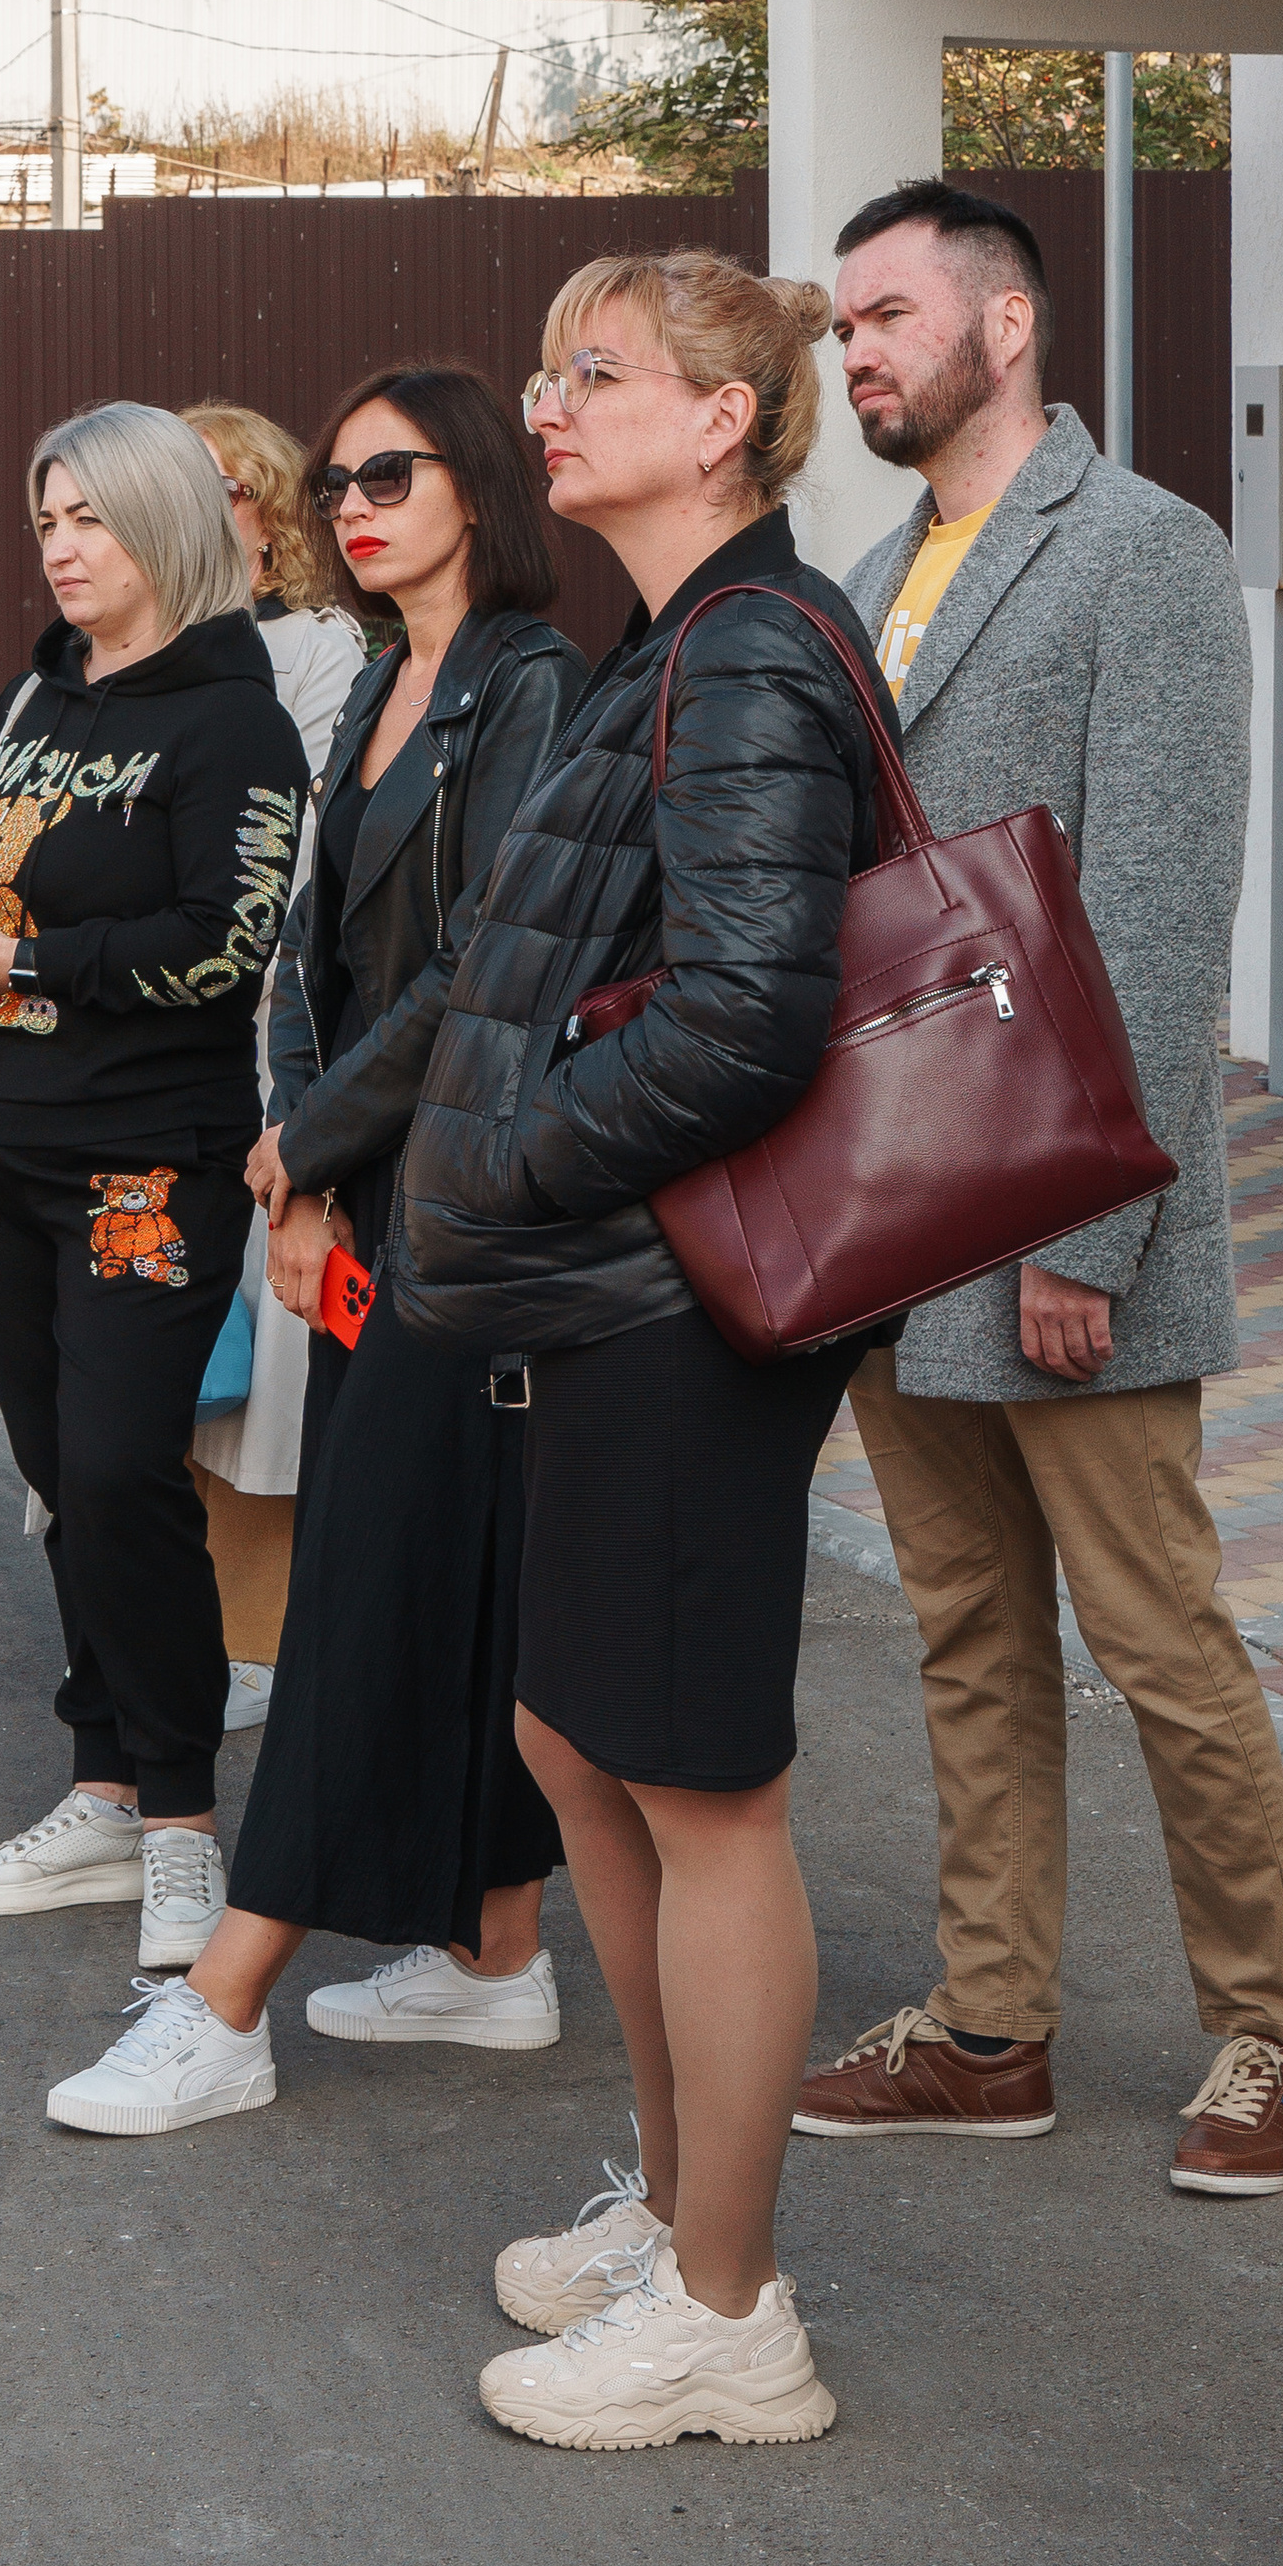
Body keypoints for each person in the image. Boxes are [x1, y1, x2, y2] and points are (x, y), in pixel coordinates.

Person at [384, 249, 891, 2454]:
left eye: (593, 371)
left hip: (678, 1298)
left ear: (725, 420)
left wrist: (508, 1162)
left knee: (700, 1783)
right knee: (577, 1739)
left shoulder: (752, 656)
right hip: (622, 1293)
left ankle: (728, 2311)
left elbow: (745, 1020)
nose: (545, 401)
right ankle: (683, 2199)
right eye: (546, 362)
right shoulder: (674, 642)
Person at [795, 181, 1283, 2197]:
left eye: (886, 314)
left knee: (1155, 1640)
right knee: (963, 1633)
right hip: (902, 1223)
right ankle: (987, 2025)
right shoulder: (864, 581)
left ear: (1002, 326)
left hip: (1064, 1216)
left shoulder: (1143, 551)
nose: (853, 350)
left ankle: (1272, 2035)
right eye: (838, 325)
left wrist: (1080, 1232)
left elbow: (1158, 911)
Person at [45, 366, 582, 2136]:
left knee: (366, 1595)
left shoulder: (529, 684)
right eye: (339, 477)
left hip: (468, 1196)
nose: (353, 502)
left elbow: (487, 960)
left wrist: (312, 1143)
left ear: (479, 487)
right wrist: (302, 1162)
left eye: (393, 472)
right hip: (367, 1186)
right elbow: (308, 952)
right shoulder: (370, 686)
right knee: (445, 1581)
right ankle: (499, 1954)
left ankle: (226, 2001)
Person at [0, 401, 310, 1978]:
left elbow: (228, 941)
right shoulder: (40, 693)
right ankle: (102, 1782)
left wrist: (34, 962)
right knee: (68, 1479)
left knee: (132, 1474)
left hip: (144, 1158)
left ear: (171, 528)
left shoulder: (235, 721)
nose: (64, 548)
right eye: (48, 519)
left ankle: (183, 1831)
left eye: (93, 519)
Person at [177, 401, 366, 1726]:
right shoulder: (96, 660)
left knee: (264, 1382)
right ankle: (172, 1626)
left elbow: (281, 866)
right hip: (134, 1073)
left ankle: (267, 1640)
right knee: (164, 1368)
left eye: (217, 492)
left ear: (269, 513)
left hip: (260, 1053)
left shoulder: (317, 650)